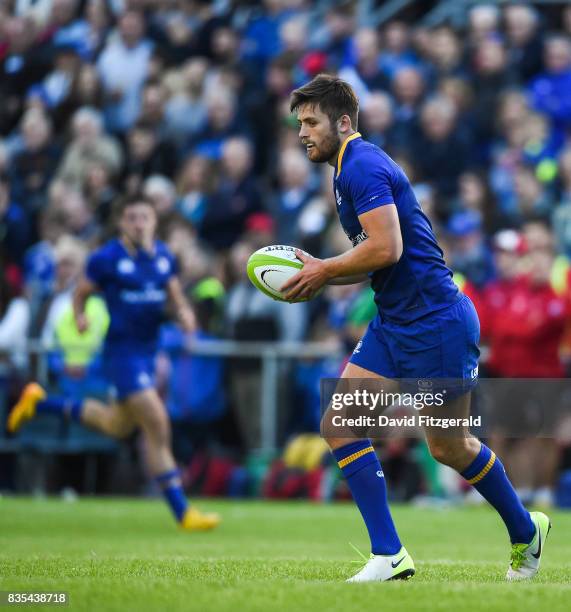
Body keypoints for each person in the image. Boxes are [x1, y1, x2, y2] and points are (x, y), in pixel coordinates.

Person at [283, 74, 549, 582]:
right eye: (300, 123)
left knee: (449, 447)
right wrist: (324, 273)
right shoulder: (345, 170)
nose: (303, 133)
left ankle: (525, 531)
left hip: (437, 323)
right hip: (394, 322)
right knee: (339, 424)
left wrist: (325, 268)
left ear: (344, 122)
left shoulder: (361, 166)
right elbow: (376, 261)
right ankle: (389, 554)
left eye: (312, 121)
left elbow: (388, 248)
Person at [7, 195, 220, 531]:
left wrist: (185, 316)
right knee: (157, 422)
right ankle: (183, 512)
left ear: (154, 221)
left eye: (144, 217)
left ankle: (40, 403)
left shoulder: (163, 257)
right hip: (121, 353)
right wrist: (79, 317)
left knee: (115, 425)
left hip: (148, 352)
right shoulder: (107, 258)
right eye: (132, 217)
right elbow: (81, 293)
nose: (139, 223)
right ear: (122, 222)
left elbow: (175, 296)